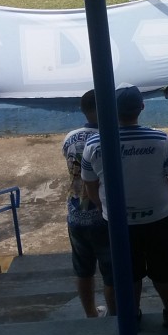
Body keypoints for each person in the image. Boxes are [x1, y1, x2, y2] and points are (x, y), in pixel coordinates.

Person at [81, 84, 168, 328]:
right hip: (159, 219)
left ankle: (132, 314)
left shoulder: (94, 144)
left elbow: (89, 182)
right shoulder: (160, 139)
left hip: (118, 223)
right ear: (142, 108)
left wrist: (100, 206)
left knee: (128, 270)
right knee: (163, 267)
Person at [61, 90, 113, 318]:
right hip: (103, 214)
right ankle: (115, 314)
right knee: (111, 271)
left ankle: (90, 314)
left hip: (75, 213)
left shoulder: (70, 137)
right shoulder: (109, 138)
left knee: (83, 270)